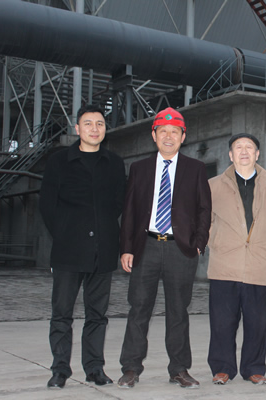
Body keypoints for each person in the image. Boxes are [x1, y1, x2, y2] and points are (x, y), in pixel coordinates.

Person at [117, 107, 211, 389]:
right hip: (145, 247)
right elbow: (129, 211)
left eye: (174, 131)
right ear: (154, 135)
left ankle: (179, 369)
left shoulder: (196, 168)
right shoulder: (139, 168)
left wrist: (198, 243)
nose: (168, 136)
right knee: (138, 309)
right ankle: (131, 368)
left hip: (180, 250)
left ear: (183, 136)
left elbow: (204, 209)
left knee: (178, 311)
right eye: (163, 131)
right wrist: (126, 247)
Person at [39, 104, 126, 389]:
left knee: (97, 316)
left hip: (103, 251)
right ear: (77, 129)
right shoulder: (58, 161)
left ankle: (94, 368)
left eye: (99, 123)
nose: (94, 128)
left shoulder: (114, 163)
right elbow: (47, 205)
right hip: (68, 251)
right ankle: (60, 370)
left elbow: (117, 203)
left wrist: (101, 231)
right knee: (62, 314)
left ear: (105, 129)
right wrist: (65, 233)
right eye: (88, 123)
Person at [206, 133, 266, 386]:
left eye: (249, 147)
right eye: (238, 147)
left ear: (257, 154)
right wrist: (216, 242)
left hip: (257, 265)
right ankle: (222, 368)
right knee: (222, 322)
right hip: (224, 264)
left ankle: (254, 368)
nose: (244, 151)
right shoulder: (213, 186)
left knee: (257, 323)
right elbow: (205, 221)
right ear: (230, 155)